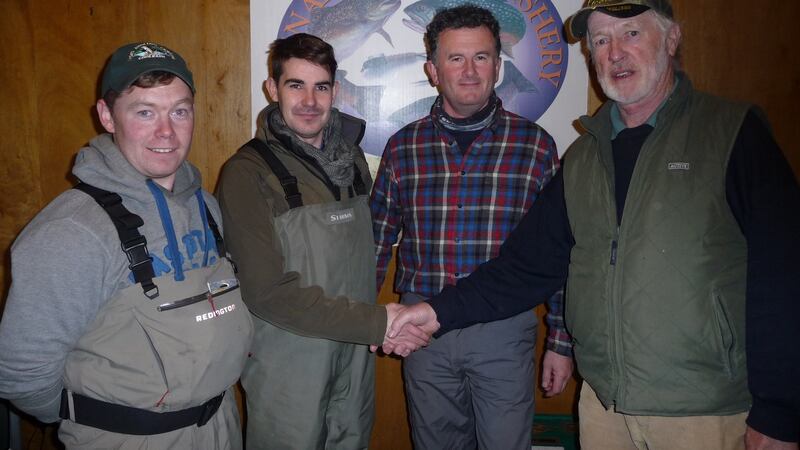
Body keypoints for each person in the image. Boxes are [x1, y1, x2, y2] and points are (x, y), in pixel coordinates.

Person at [387, 1, 800, 449]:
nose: (615, 52)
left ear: (672, 38)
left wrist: (780, 411)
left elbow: (784, 274)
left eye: (631, 33)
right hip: (604, 405)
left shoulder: (731, 132)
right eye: (601, 40)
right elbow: (526, 268)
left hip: (702, 410)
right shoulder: (584, 158)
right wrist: (431, 312)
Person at [0, 42, 254, 449]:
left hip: (220, 426)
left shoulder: (205, 206)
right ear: (107, 116)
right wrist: (103, 422)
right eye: (145, 112)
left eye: (179, 111)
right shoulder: (72, 231)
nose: (166, 131)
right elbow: (22, 372)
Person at [370, 5, 574, 449]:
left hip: (503, 329)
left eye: (481, 57)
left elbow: (557, 254)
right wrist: (363, 322)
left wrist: (560, 341)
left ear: (498, 67)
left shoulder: (536, 147)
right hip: (421, 332)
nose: (469, 71)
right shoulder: (403, 148)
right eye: (455, 58)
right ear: (432, 70)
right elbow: (375, 244)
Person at [215, 33, 428, 450]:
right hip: (290, 364)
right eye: (296, 85)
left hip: (355, 357)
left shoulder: (353, 162)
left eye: (321, 87)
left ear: (335, 90)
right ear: (272, 89)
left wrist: (378, 328)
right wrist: (379, 323)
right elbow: (266, 293)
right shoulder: (247, 173)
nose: (310, 101)